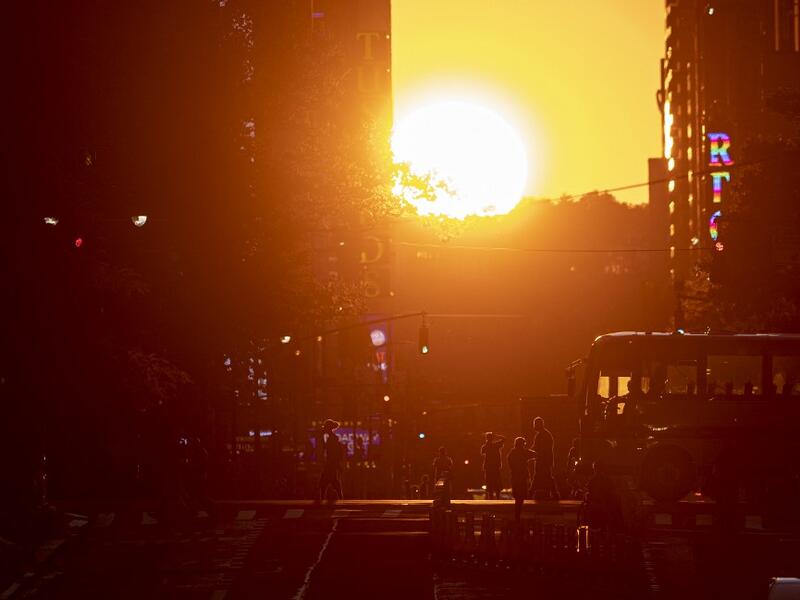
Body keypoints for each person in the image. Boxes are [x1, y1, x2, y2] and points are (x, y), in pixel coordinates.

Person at [584, 460, 623, 530]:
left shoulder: (594, 480)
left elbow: (589, 494)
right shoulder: (606, 480)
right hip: (603, 508)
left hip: (600, 507)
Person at [530, 416, 560, 500]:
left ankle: (530, 493)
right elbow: (535, 447)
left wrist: (530, 453)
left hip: (543, 460)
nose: (534, 426)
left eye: (535, 424)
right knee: (546, 477)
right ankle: (554, 494)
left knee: (542, 476)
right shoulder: (542, 434)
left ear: (539, 424)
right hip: (543, 460)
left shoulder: (543, 435)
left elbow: (541, 449)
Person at [507, 437, 536, 520]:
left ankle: (517, 515)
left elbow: (509, 463)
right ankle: (518, 516)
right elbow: (534, 454)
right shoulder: (523, 452)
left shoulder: (512, 453)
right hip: (522, 478)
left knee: (517, 497)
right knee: (521, 497)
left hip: (515, 478)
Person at [319, 419, 343, 501]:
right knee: (333, 481)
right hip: (331, 463)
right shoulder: (332, 438)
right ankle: (340, 497)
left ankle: (322, 498)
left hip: (331, 463)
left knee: (324, 482)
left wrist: (335, 464)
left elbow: (333, 453)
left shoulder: (332, 439)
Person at [480, 432, 505, 500]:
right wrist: (496, 435)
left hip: (488, 467)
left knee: (489, 481)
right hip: (496, 466)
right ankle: (497, 497)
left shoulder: (485, 446)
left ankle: (491, 497)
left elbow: (482, 452)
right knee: (497, 481)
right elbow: (504, 439)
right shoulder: (496, 445)